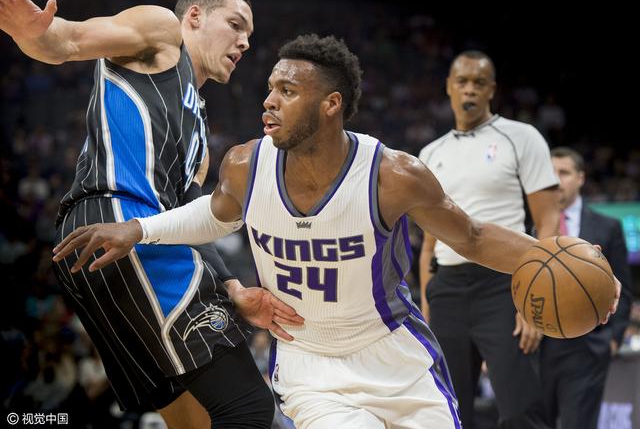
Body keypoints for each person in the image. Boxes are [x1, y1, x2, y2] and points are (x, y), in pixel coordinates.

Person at [52, 34, 621, 429]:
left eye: (287, 91)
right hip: (311, 362)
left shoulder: (393, 175)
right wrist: (138, 229)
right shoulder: (246, 165)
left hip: (394, 354)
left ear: (331, 105)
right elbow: (216, 215)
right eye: (270, 87)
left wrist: (552, 258)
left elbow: (470, 236)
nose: (268, 100)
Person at [0, 0, 303, 429]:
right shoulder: (163, 33)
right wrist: (31, 32)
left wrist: (233, 288)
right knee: (251, 409)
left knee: (196, 422)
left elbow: (190, 223)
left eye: (249, 36)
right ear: (195, 16)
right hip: (119, 225)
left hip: (108, 248)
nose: (244, 42)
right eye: (236, 25)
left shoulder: (198, 137)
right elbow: (68, 39)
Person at [418, 50, 559, 429]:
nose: (470, 90)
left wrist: (534, 298)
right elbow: (429, 246)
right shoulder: (431, 154)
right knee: (446, 409)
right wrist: (427, 305)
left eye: (479, 83)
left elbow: (548, 221)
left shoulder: (521, 137)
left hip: (505, 282)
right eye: (462, 81)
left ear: (492, 90)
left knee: (519, 408)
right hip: (447, 288)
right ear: (449, 87)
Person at [541, 146, 632, 429]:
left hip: (588, 347)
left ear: (580, 178)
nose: (557, 180)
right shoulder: (529, 227)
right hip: (537, 346)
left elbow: (624, 289)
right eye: (550, 174)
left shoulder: (608, 226)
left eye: (564, 172)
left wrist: (613, 338)